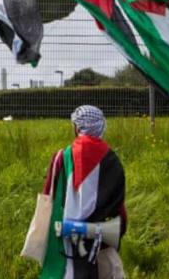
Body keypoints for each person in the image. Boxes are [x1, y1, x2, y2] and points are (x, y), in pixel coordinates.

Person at [40, 105, 127, 279]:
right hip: (102, 237)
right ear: (101, 127)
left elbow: (49, 196)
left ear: (77, 127)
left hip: (65, 238)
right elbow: (118, 205)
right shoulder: (112, 160)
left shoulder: (61, 157)